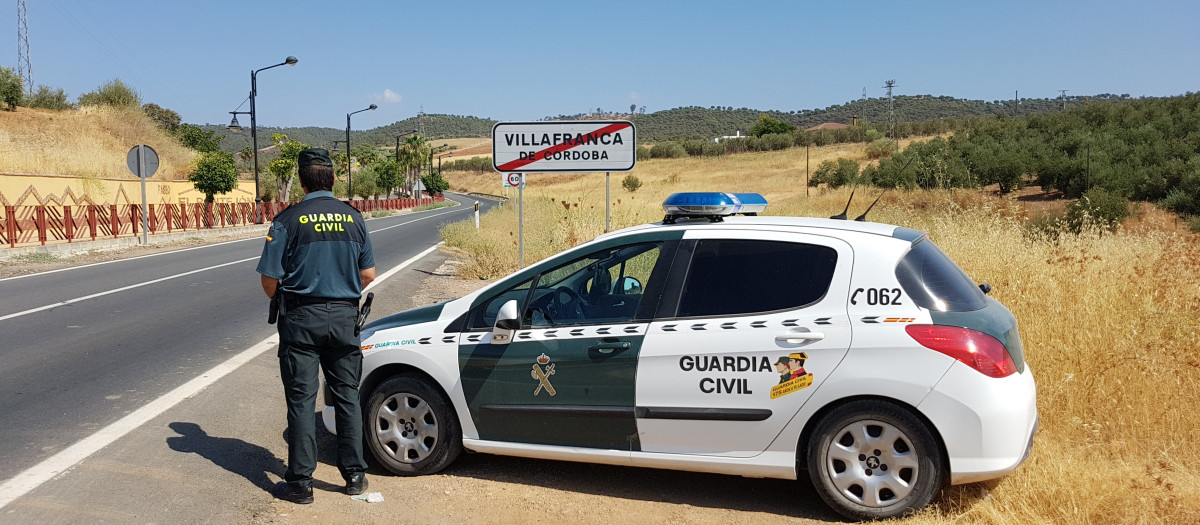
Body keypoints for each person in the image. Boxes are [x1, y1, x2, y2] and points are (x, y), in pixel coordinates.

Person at [256, 148, 375, 504]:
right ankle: (355, 476)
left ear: (302, 180)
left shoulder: (288, 219)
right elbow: (368, 273)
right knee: (347, 399)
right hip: (344, 319)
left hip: (301, 322)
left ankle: (301, 485)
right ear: (333, 178)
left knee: (302, 402)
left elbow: (268, 281)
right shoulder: (354, 219)